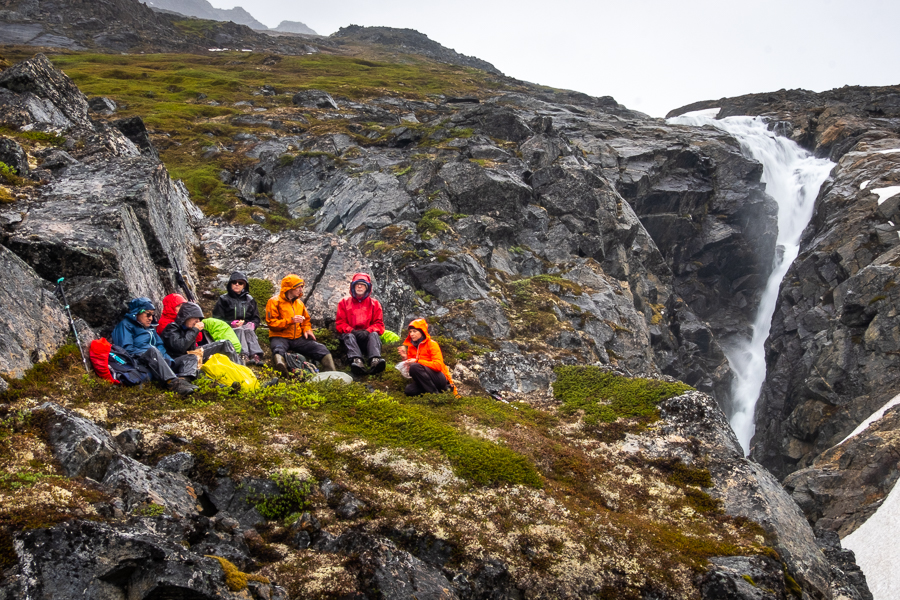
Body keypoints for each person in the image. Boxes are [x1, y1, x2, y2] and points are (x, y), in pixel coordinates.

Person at [112, 297, 198, 395]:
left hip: (158, 360)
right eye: (148, 314)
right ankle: (173, 384)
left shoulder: (150, 328)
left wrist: (167, 360)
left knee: (190, 357)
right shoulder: (125, 325)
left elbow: (160, 345)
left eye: (152, 315)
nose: (151, 318)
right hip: (140, 363)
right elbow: (125, 349)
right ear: (137, 313)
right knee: (152, 350)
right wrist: (149, 354)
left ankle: (183, 381)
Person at [266, 274, 336, 375]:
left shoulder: (299, 303)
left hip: (298, 338)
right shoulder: (273, 302)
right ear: (289, 288)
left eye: (301, 287)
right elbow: (271, 323)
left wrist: (307, 329)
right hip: (279, 336)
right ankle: (283, 372)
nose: (301, 289)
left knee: (321, 349)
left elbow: (306, 320)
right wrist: (290, 321)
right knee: (278, 350)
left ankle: (332, 373)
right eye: (298, 287)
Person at [160, 302, 242, 365]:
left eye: (199, 319)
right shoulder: (172, 327)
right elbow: (180, 347)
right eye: (195, 318)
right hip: (179, 359)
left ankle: (241, 369)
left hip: (191, 354)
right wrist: (195, 330)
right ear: (186, 317)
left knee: (225, 343)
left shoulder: (188, 328)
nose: (198, 321)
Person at [335, 273, 386, 375]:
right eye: (357, 284)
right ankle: (357, 361)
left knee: (374, 334)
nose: (359, 286)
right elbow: (340, 324)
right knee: (348, 336)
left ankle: (375, 361)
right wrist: (352, 331)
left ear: (367, 288)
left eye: (362, 284)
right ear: (353, 286)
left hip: (367, 338)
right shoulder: (343, 303)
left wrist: (367, 331)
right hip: (351, 338)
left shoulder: (375, 304)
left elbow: (379, 324)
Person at [212, 271, 265, 365]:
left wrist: (253, 324)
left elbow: (256, 318)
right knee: (240, 329)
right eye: (234, 282)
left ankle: (255, 355)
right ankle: (243, 355)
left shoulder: (250, 300)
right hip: (229, 329)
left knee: (247, 329)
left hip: (246, 328)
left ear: (244, 285)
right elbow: (216, 319)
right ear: (230, 284)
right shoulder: (223, 299)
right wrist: (231, 323)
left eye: (240, 283)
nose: (237, 284)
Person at [398, 318, 456, 396]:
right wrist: (405, 358)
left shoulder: (432, 344)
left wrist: (417, 361)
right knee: (409, 390)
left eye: (415, 331)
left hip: (440, 379)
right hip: (425, 380)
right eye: (410, 331)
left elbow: (438, 366)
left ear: (422, 332)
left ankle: (435, 395)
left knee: (415, 366)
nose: (411, 334)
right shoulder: (411, 347)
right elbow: (411, 372)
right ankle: (437, 392)